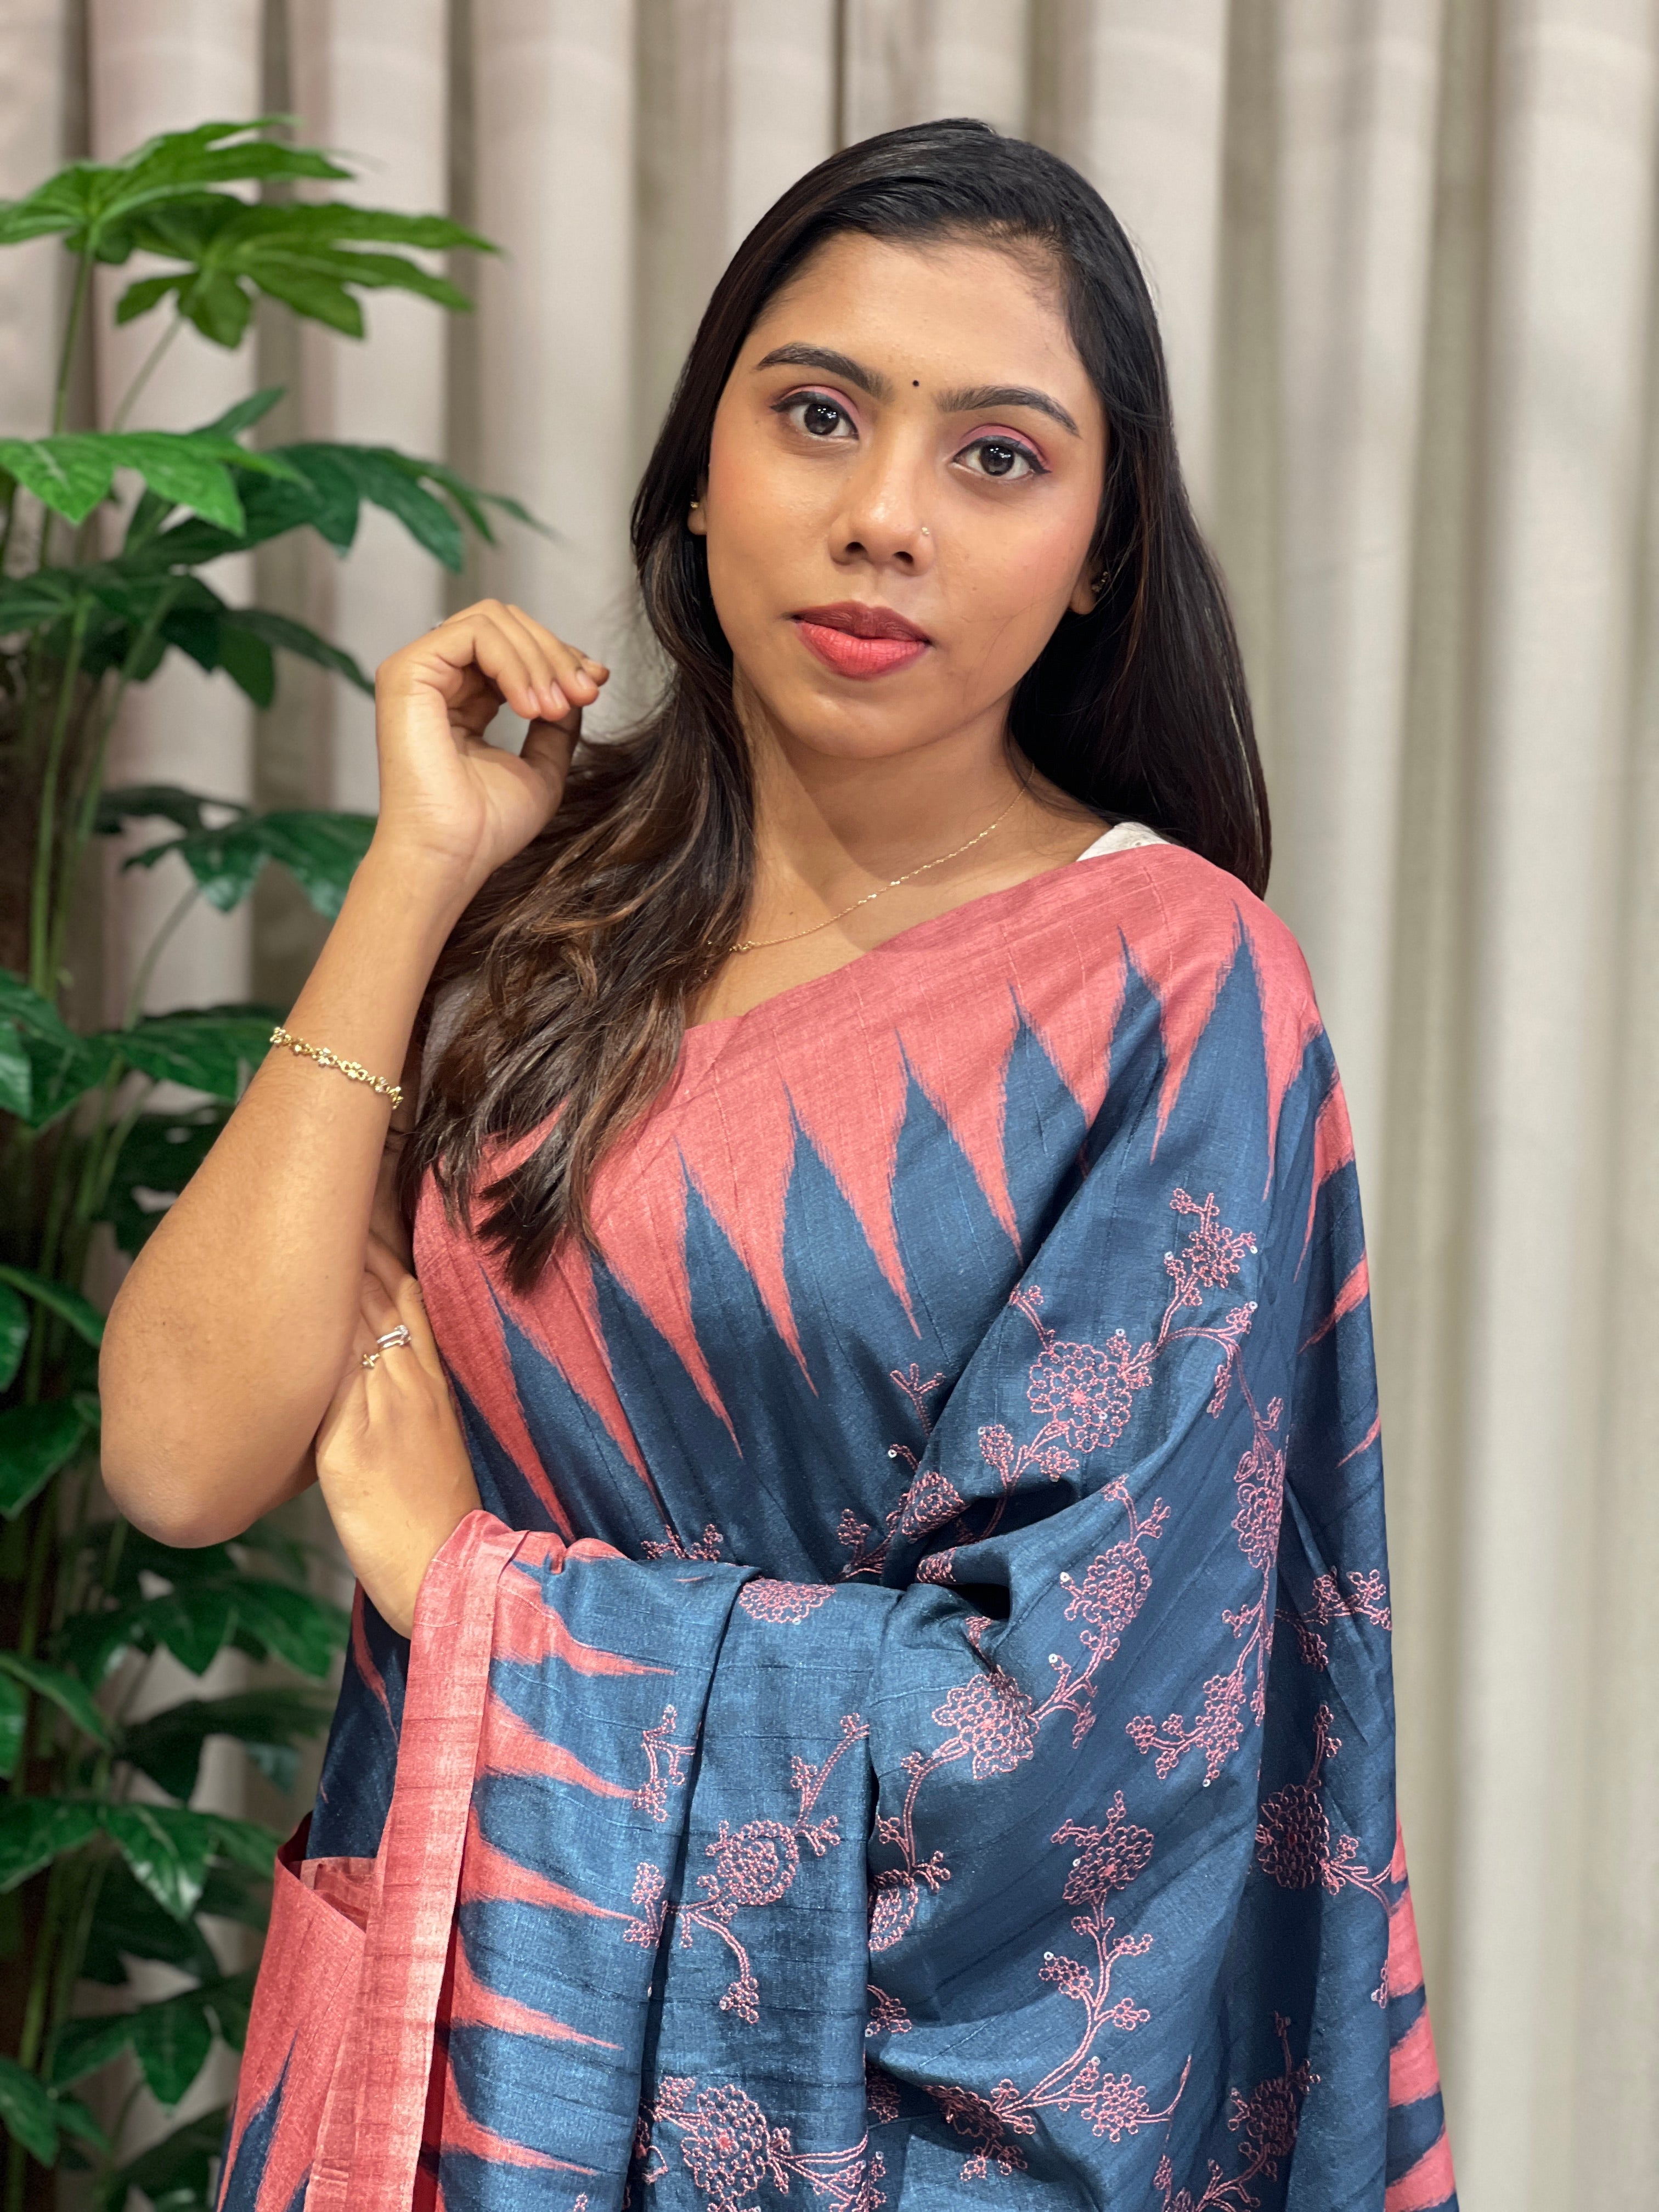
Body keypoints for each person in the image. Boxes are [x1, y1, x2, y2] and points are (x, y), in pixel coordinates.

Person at [100, 120, 1455, 2212]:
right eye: (816, 415)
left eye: (996, 456)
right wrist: (418, 876)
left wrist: (482, 1598)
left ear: (1102, 545)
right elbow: (183, 1457)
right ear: (702, 467)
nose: (882, 517)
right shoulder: (547, 925)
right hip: (431, 2058)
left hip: (881, 2136)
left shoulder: (1174, 997)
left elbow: (1072, 1742)